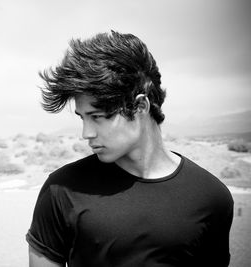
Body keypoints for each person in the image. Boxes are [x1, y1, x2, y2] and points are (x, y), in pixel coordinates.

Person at [26, 31, 234, 267]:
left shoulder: (211, 197)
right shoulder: (61, 189)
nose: (87, 133)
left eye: (97, 117)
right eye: (82, 118)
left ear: (140, 106)